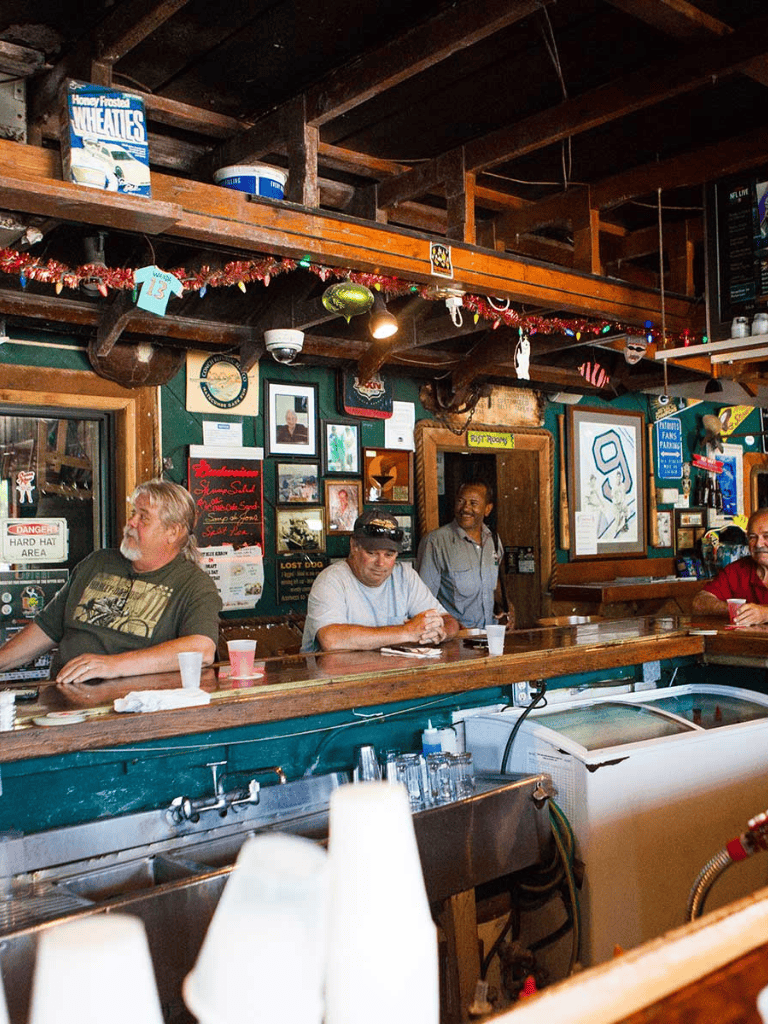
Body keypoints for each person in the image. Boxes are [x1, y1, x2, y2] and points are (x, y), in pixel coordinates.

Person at [0, 479, 222, 685]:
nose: (131, 522)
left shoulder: (195, 585)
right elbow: (45, 629)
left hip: (131, 706)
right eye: (133, 513)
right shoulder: (98, 563)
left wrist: (113, 665)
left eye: (143, 517)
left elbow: (201, 650)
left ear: (173, 532)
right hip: (64, 695)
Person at [301, 509, 459, 652]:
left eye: (389, 555)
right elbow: (331, 639)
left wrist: (440, 632)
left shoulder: (405, 576)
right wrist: (407, 632)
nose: (381, 563)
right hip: (337, 681)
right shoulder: (331, 580)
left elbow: (449, 620)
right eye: (372, 553)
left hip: (390, 676)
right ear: (354, 546)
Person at [416, 481, 512, 630]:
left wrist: (508, 608)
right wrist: (452, 629)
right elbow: (423, 601)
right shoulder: (436, 542)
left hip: (490, 636)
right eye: (461, 501)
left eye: (473, 503)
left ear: (487, 509)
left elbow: (494, 582)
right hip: (456, 641)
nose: (466, 508)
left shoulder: (493, 539)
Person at [692, 508, 768, 625]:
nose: (758, 544)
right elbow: (699, 602)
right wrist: (736, 610)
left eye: (766, 536)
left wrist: (765, 613)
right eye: (752, 537)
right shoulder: (738, 569)